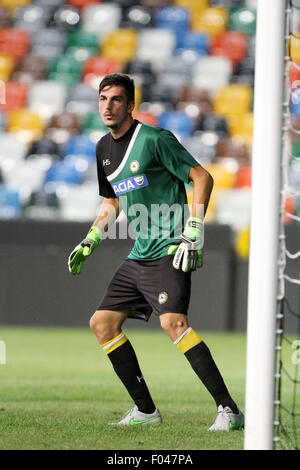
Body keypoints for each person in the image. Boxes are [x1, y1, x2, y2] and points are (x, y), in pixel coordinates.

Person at [68, 73, 244, 431]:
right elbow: (111, 200)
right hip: (140, 252)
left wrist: (195, 226)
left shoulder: (154, 139)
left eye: (116, 99)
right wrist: (92, 238)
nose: (108, 105)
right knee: (102, 323)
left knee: (173, 323)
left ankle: (229, 410)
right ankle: (146, 411)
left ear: (131, 105)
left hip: (170, 247)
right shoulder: (103, 148)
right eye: (103, 99)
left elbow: (201, 177)